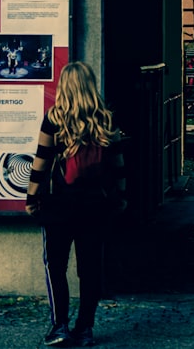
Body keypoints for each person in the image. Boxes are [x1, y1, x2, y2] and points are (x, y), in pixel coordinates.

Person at [25, 61, 127, 347]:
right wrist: (120, 198)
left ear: (64, 86)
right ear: (90, 85)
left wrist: (32, 199)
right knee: (90, 268)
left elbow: (40, 163)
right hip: (96, 206)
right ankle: (85, 329)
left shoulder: (54, 118)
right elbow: (119, 166)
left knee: (55, 266)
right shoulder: (106, 119)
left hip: (58, 205)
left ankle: (59, 326)